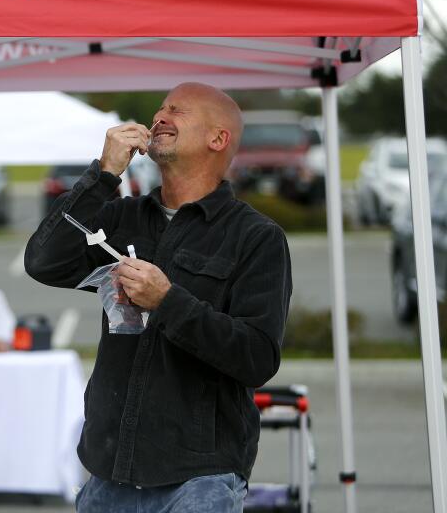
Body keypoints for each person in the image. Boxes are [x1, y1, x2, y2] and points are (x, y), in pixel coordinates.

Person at [25, 83, 292, 512]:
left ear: (218, 139)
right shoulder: (121, 218)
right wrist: (103, 175)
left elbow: (257, 358)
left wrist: (168, 302)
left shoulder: (256, 237)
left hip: (199, 477)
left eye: (178, 111)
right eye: (161, 108)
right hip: (108, 470)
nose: (159, 117)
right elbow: (42, 262)